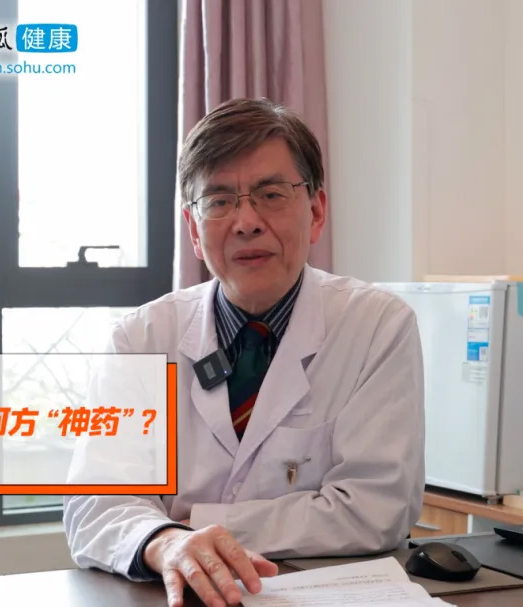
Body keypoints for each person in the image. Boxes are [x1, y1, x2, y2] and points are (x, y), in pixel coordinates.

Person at [62, 97, 425, 607]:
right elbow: (94, 505)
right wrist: (166, 542)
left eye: (271, 195)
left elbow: (374, 509)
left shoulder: (377, 326)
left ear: (316, 211)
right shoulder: (140, 340)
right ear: (194, 229)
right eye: (219, 201)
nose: (246, 221)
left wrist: (194, 525)